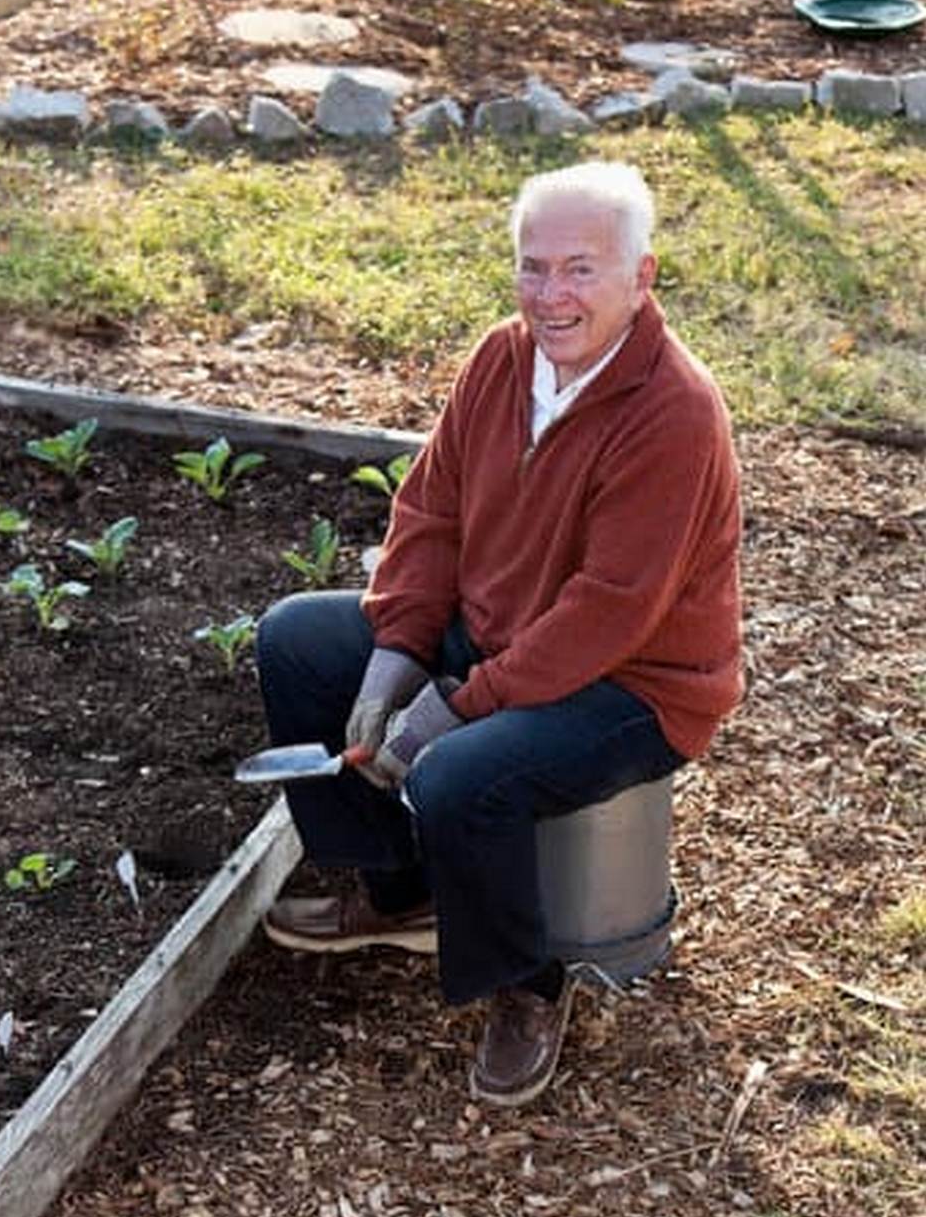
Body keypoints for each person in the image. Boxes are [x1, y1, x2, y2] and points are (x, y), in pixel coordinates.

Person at [255, 158, 742, 1108]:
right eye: (533, 267)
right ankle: (399, 893)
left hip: (635, 684)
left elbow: (609, 612)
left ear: (641, 278)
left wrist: (456, 705)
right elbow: (431, 510)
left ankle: (527, 983)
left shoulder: (672, 414)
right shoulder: (500, 359)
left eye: (580, 269)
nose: (550, 295)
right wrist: (397, 654)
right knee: (297, 643)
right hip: (499, 635)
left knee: (458, 772)